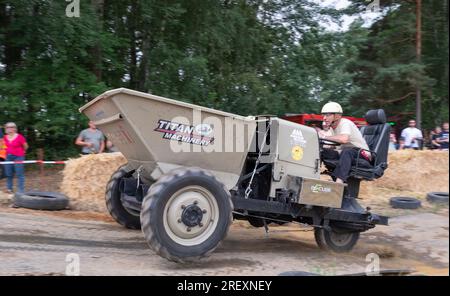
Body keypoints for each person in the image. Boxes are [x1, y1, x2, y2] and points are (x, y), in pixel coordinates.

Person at [318, 102, 371, 184]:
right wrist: (324, 147)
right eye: (324, 115)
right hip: (346, 154)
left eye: (328, 115)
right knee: (322, 151)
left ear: (337, 116)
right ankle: (313, 175)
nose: (324, 118)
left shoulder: (345, 123)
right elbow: (334, 145)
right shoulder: (332, 128)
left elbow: (344, 139)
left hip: (363, 154)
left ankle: (339, 183)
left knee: (347, 151)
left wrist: (324, 137)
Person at [3, 122, 28, 194]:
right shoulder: (4, 137)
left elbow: (26, 146)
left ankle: (21, 190)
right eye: (6, 127)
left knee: (19, 173)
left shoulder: (20, 137)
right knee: (8, 173)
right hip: (8, 157)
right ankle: (9, 189)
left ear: (14, 128)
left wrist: (23, 152)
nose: (7, 129)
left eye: (9, 127)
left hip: (18, 157)